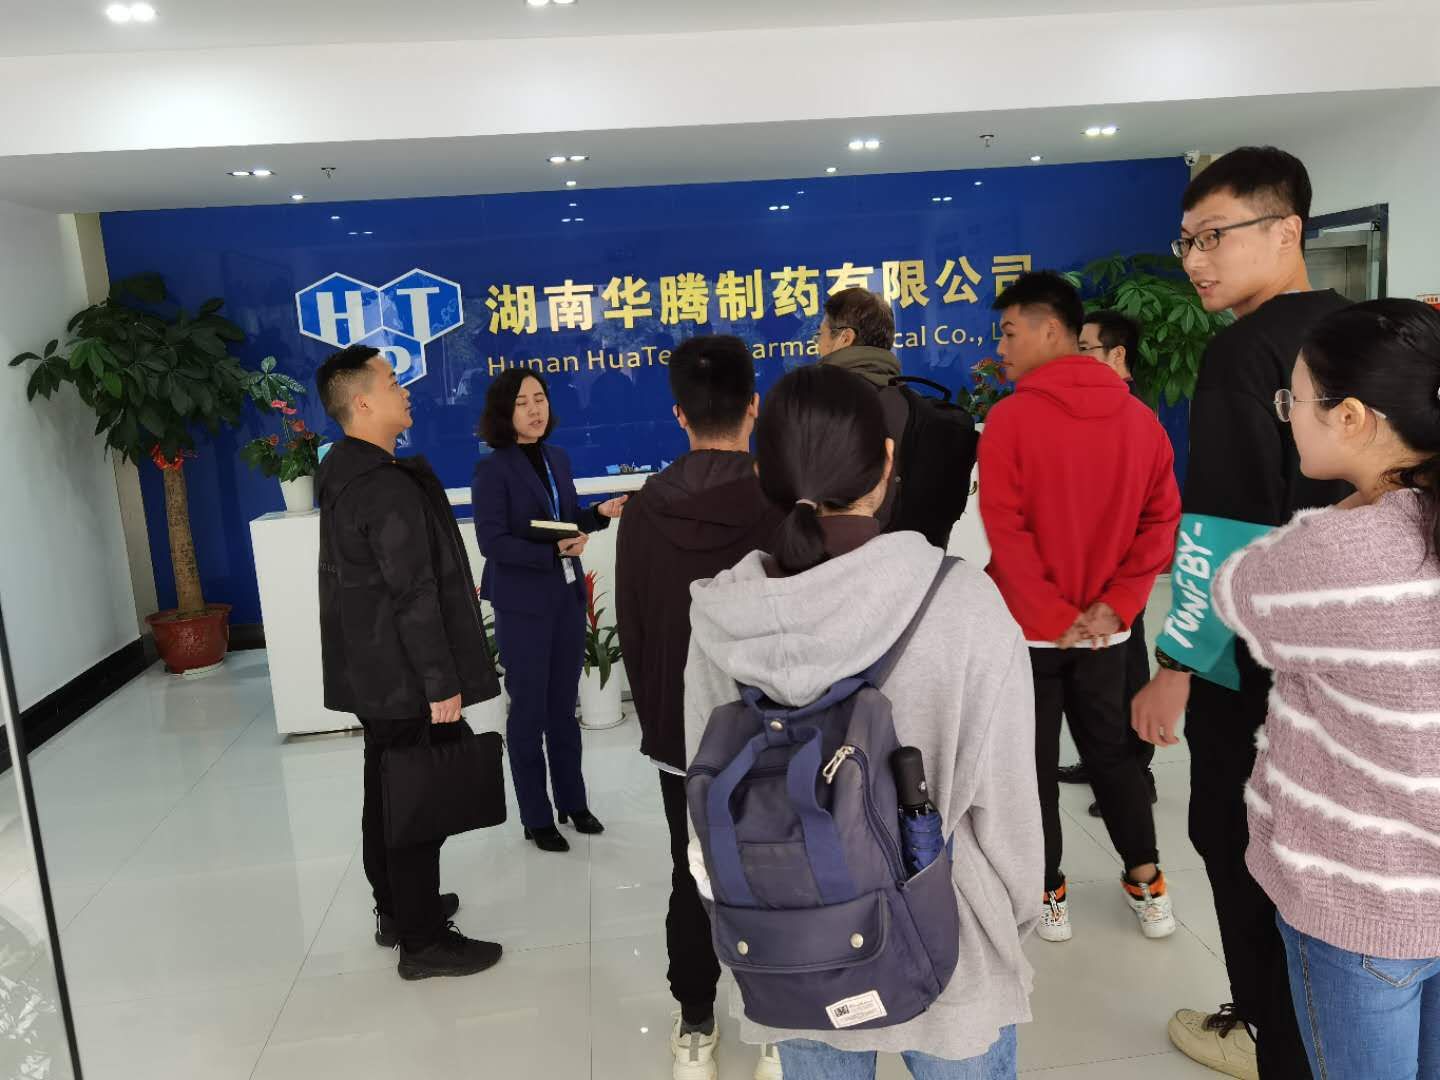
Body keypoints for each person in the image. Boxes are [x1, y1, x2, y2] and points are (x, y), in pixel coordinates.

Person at [682, 364, 1042, 1080]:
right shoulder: (960, 605)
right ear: (886, 464)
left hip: (796, 946)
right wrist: (1013, 921)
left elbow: (709, 790)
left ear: (762, 471)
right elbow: (1006, 809)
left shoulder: (725, 620)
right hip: (950, 939)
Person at [1131, 147, 1348, 1080]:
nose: (1195, 260)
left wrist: (1174, 668)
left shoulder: (1242, 354)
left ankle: (1272, 1035)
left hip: (1264, 667)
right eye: (1186, 242)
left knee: (1238, 839)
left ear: (1288, 229)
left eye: (1214, 236)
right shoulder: (1371, 333)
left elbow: (1219, 536)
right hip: (1368, 660)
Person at [1211, 299, 1440, 1079]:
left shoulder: (1340, 553)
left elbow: (1236, 591)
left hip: (1364, 902)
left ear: (1350, 418)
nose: (1289, 417)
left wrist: (1358, 504)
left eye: (1295, 401)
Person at [980, 272, 1181, 944]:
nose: (1001, 347)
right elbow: (1160, 524)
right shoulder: (1140, 420)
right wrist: (1115, 607)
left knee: (1031, 768)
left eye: (1009, 331)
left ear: (1049, 330)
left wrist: (1049, 612)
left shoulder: (1010, 420)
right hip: (1104, 636)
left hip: (1028, 636)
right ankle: (1147, 882)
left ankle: (1048, 892)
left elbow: (1003, 529)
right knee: (1113, 757)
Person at [614, 335, 784, 1080]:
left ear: (679, 414)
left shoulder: (644, 510)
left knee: (691, 870)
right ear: (754, 406)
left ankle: (695, 1028)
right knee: (780, 868)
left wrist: (662, 723)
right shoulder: (783, 502)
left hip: (681, 734)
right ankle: (777, 1026)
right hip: (774, 726)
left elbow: (635, 626)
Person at [315, 344, 503, 981]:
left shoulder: (345, 471)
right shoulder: (383, 485)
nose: (406, 390)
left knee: (386, 790)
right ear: (362, 402)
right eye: (393, 381)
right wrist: (439, 681)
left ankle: (397, 910)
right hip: (401, 674)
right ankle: (423, 942)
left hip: (373, 671)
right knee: (415, 801)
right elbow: (412, 592)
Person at [471, 368, 627, 853]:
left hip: (564, 598)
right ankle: (536, 817)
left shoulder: (557, 458)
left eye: (539, 398)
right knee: (529, 713)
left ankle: (573, 803)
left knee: (563, 708)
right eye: (523, 402)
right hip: (522, 604)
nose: (535, 409)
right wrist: (551, 553)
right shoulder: (492, 469)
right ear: (504, 411)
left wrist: (596, 516)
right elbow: (492, 542)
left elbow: (564, 521)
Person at [1061, 310, 1160, 819]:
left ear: (1117, 355)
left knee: (1124, 669)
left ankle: (1136, 775)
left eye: (1086, 349)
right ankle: (1100, 760)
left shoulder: (1133, 414)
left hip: (1120, 566)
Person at [817, 286, 977, 545]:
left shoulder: (822, 406)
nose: (818, 346)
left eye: (821, 335)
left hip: (844, 559)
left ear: (845, 338)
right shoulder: (910, 404)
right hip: (920, 559)